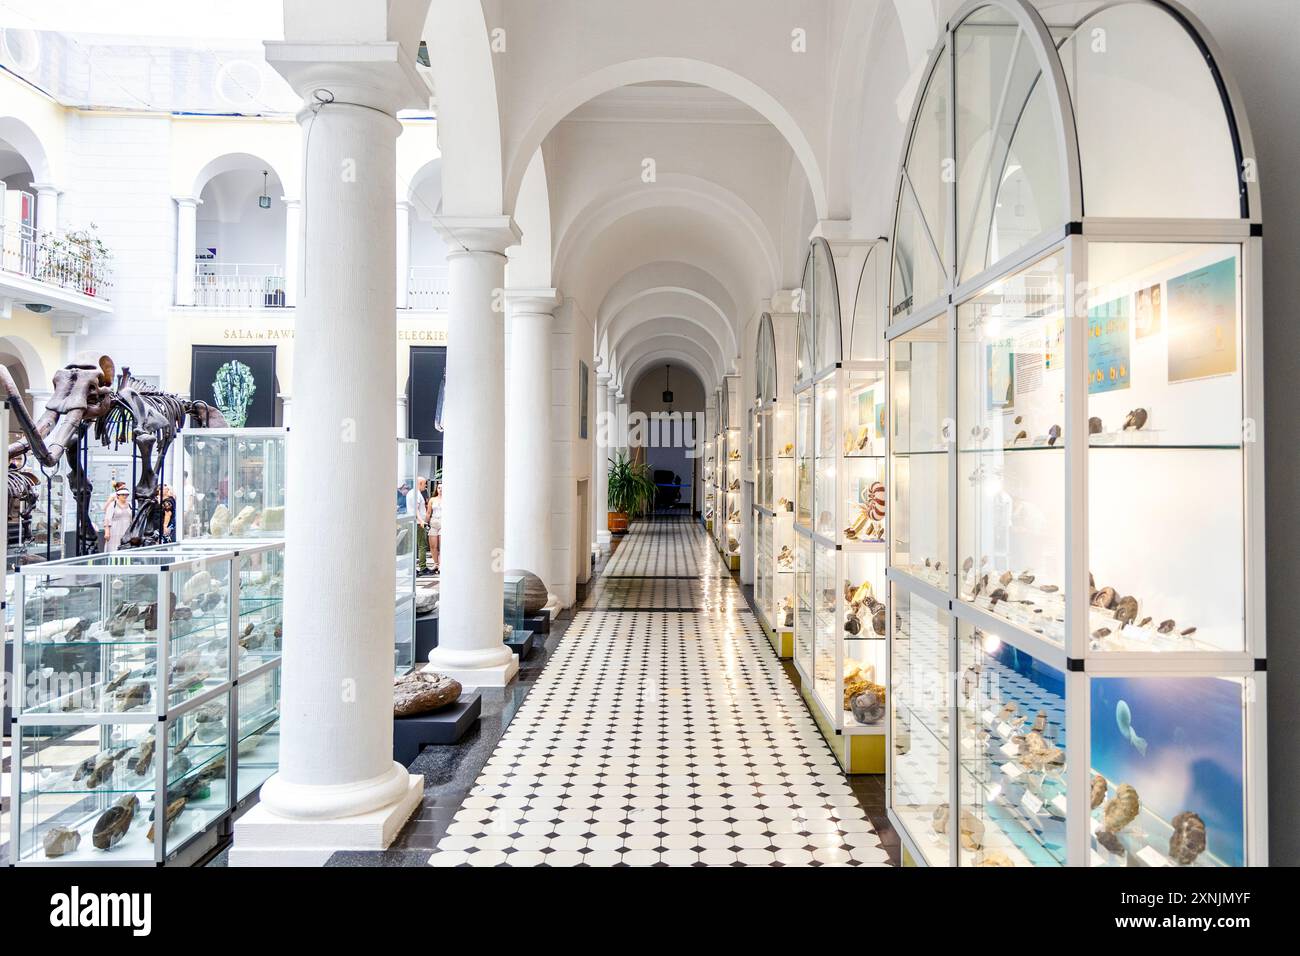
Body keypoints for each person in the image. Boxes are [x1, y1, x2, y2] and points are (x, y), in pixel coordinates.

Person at [407, 476, 430, 572]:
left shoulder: (412, 493)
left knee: (413, 545)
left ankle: (411, 568)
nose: (425, 486)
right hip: (418, 523)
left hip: (414, 522)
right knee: (422, 545)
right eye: (424, 484)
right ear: (420, 483)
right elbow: (415, 510)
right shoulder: (415, 494)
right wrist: (421, 521)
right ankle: (423, 567)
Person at [103, 482, 132, 552]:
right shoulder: (113, 505)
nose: (125, 496)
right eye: (123, 495)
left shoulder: (130, 505)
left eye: (126, 495)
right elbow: (107, 518)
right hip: (115, 530)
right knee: (114, 547)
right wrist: (107, 531)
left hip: (126, 529)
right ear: (118, 495)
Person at [427, 479, 442, 574]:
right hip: (434, 522)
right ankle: (436, 563)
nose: (440, 489)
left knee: (441, 545)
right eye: (439, 488)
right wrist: (425, 522)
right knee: (433, 545)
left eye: (442, 488)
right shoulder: (433, 500)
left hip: (443, 522)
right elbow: (429, 512)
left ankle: (441, 564)